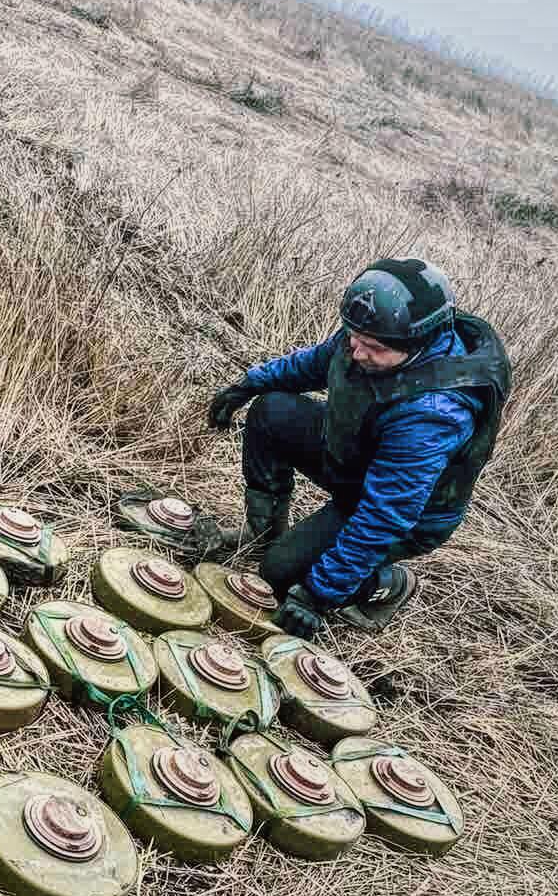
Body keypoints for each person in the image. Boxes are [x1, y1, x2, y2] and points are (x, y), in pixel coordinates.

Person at [204, 258, 510, 639]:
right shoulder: (370, 335)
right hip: (358, 461)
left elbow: (385, 514)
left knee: (279, 575)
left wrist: (319, 593)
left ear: (418, 343)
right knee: (272, 409)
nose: (357, 352)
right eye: (353, 337)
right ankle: (262, 530)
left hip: (408, 516)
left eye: (374, 348)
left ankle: (389, 585)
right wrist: (249, 385)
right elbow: (314, 364)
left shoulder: (433, 413)